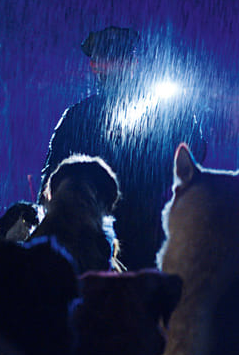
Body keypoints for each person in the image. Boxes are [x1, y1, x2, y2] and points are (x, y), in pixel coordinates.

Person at [39, 26, 205, 270]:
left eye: (119, 58)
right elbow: (51, 177)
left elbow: (194, 157)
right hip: (101, 240)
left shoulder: (167, 113)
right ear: (95, 66)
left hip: (144, 236)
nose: (112, 66)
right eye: (105, 59)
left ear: (133, 63)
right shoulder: (78, 117)